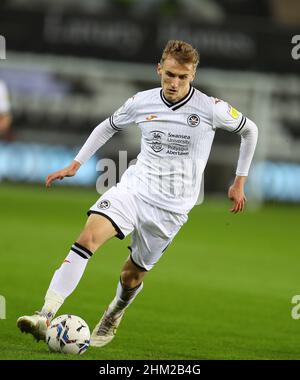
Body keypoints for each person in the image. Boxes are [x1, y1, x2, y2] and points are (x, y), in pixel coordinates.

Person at [17, 40, 258, 347]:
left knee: (132, 276)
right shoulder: (141, 102)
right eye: (169, 74)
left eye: (182, 77)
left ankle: (115, 312)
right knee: (87, 238)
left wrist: (239, 181)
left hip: (171, 209)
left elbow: (251, 130)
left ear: (192, 75)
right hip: (134, 189)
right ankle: (45, 314)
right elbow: (107, 125)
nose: (174, 82)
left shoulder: (211, 109)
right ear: (159, 69)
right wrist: (76, 164)